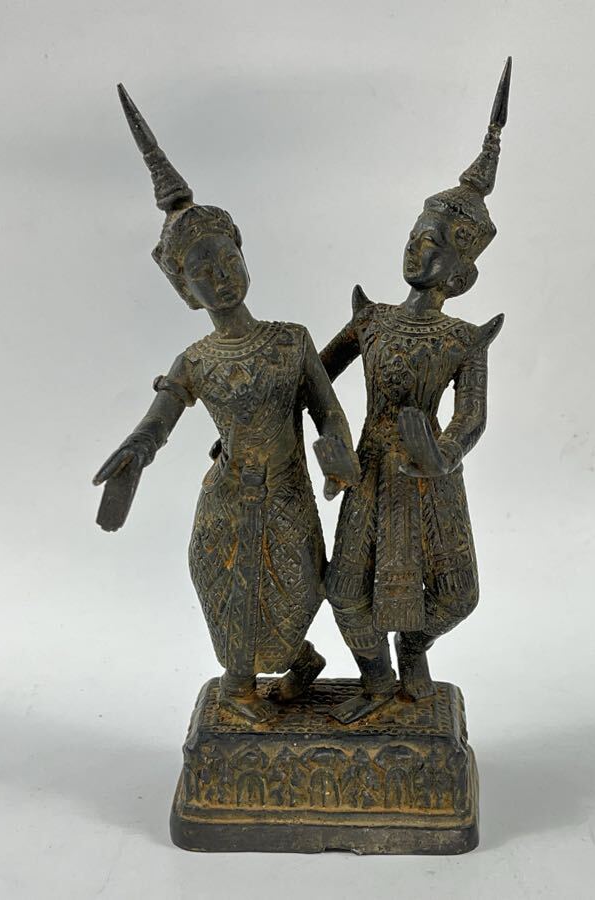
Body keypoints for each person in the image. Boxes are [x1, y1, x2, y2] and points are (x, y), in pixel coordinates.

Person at [93, 86, 360, 724]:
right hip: (229, 501)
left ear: (244, 254)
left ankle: (298, 660)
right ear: (186, 292)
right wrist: (135, 452)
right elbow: (159, 420)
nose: (220, 276)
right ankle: (240, 691)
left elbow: (326, 409)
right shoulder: (196, 360)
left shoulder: (291, 341)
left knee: (302, 585)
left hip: (288, 494)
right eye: (202, 272)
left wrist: (337, 451)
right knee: (232, 592)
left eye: (227, 258)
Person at [320, 60, 511, 723]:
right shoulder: (371, 320)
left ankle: (414, 649)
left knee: (455, 592)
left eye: (434, 246)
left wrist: (441, 453)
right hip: (371, 468)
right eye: (415, 237)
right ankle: (376, 679)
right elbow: (316, 379)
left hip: (430, 477)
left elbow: (472, 416)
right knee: (346, 587)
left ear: (461, 275)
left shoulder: (463, 339)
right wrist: (325, 437)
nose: (417, 250)